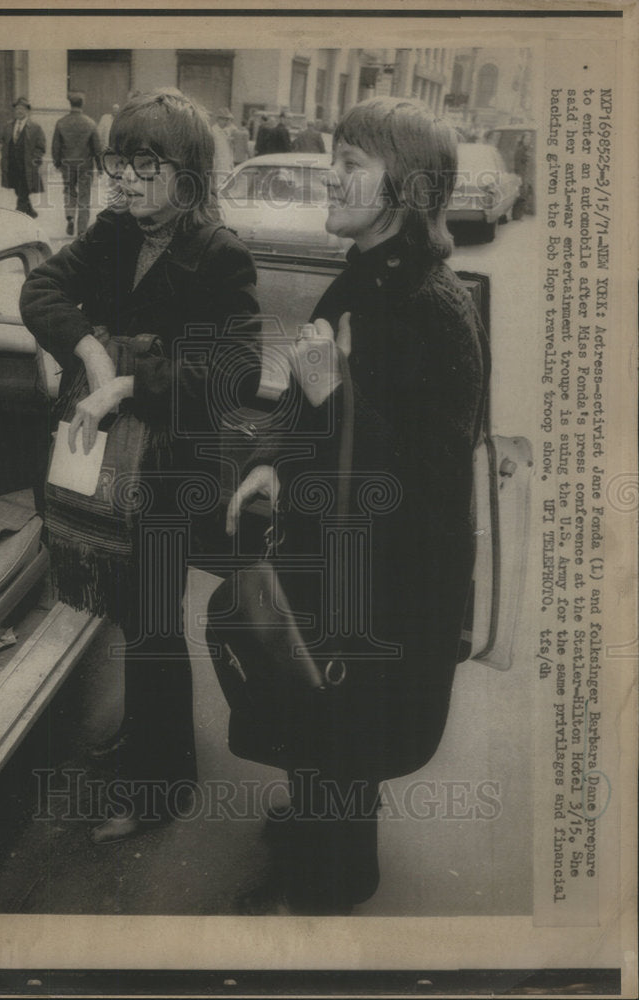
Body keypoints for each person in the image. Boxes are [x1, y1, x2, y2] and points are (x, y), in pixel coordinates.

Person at [227, 98, 489, 914]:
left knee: (349, 722)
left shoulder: (433, 309)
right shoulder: (361, 277)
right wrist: (270, 463)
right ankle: (313, 816)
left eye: (351, 167)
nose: (330, 180)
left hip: (388, 580)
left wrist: (332, 393)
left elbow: (425, 477)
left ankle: (331, 884)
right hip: (333, 550)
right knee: (315, 704)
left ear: (406, 190)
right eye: (333, 159)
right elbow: (303, 406)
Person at [19, 88, 261, 845]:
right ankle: (145, 739)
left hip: (169, 471)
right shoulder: (115, 231)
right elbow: (41, 289)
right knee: (132, 613)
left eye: (142, 163)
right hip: (109, 472)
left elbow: (237, 372)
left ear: (186, 174)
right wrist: (91, 350)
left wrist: (131, 382)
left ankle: (163, 787)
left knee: (156, 626)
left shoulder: (220, 254)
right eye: (118, 159)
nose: (121, 176)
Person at [52, 91, 102, 236]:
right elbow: (97, 148)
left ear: (70, 104)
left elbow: (56, 146)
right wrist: (100, 166)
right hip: (85, 165)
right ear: (82, 104)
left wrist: (57, 163)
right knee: (84, 197)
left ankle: (70, 217)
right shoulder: (90, 123)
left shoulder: (61, 122)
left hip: (67, 165)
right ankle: (81, 230)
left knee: (69, 192)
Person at [0, 97, 46, 218]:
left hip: (28, 166)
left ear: (28, 111)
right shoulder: (8, 126)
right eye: (17, 109)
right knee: (18, 190)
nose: (19, 111)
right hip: (12, 165)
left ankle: (18, 214)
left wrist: (35, 160)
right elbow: (5, 144)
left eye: (22, 109)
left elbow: (41, 147)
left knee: (23, 191)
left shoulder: (35, 127)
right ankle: (30, 211)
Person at [211, 106, 234, 179]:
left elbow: (229, 150)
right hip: (218, 166)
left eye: (228, 120)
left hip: (227, 164)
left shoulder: (227, 131)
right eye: (225, 119)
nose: (227, 122)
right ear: (218, 119)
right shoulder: (213, 131)